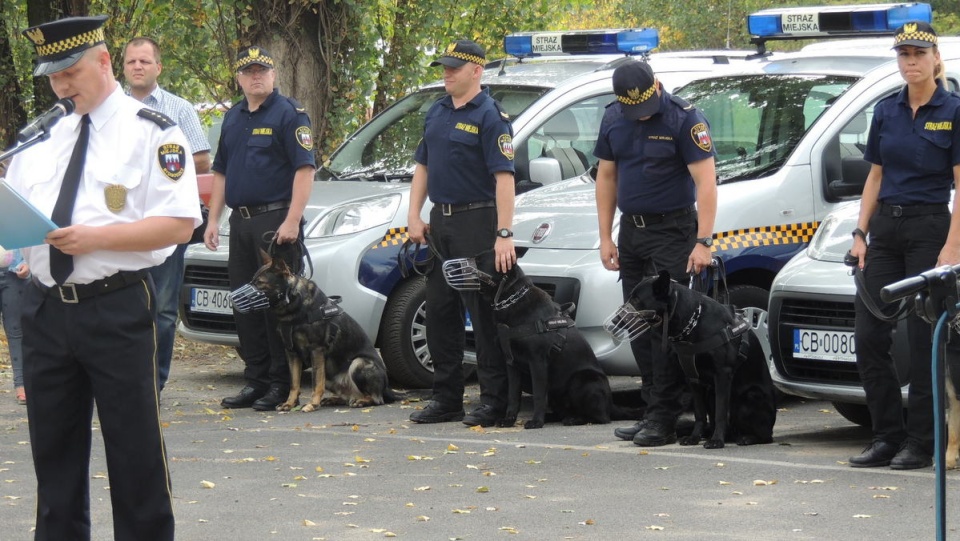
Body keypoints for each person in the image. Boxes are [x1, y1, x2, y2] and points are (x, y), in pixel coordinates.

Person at [7, 15, 201, 540]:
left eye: (71, 72)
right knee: (54, 454)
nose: (63, 86)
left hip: (115, 306)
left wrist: (96, 239)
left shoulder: (153, 132)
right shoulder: (41, 139)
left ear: (103, 61)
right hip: (45, 307)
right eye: (53, 77)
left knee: (135, 451)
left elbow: (180, 223)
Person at [847, 21, 960, 471]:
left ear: (935, 58)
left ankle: (922, 442)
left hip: (931, 228)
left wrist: (953, 246)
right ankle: (885, 437)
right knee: (869, 335)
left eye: (918, 54)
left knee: (922, 340)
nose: (910, 62)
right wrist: (860, 232)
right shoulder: (886, 110)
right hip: (886, 230)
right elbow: (874, 174)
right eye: (903, 55)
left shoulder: (953, 109)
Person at [595, 60, 717, 447]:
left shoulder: (685, 119)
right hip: (632, 230)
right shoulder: (614, 116)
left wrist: (704, 241)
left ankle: (665, 417)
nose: (640, 114)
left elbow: (706, 181)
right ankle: (652, 409)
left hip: (674, 230)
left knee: (665, 328)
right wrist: (605, 236)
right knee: (637, 322)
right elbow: (607, 177)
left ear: (658, 87)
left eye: (645, 105)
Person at [406, 40, 516, 428]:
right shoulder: (436, 112)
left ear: (476, 71)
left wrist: (504, 233)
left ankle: (493, 401)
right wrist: (413, 215)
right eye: (444, 67)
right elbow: (423, 167)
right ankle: (447, 397)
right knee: (440, 312)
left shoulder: (491, 116)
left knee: (482, 314)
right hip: (441, 224)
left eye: (454, 67)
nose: (446, 73)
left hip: (478, 222)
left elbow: (504, 178)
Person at [204, 46, 316, 411]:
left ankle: (282, 384)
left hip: (275, 222)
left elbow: (304, 170)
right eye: (249, 71)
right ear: (239, 78)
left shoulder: (290, 115)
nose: (256, 76)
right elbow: (220, 171)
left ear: (274, 75)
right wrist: (213, 220)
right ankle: (256, 380)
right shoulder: (234, 118)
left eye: (262, 70)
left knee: (276, 308)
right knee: (244, 302)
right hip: (241, 222)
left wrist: (293, 219)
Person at [124, 36, 212, 391]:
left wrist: (154, 173)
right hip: (123, 222)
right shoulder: (112, 109)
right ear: (124, 68)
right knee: (124, 310)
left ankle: (153, 387)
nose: (138, 67)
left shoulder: (179, 108)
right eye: (131, 62)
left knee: (161, 310)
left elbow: (202, 158)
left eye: (145, 61)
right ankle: (124, 384)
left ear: (158, 67)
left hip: (165, 220)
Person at [0, 248, 29, 405]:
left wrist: (28, 263)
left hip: (14, 273)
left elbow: (32, 238)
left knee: (16, 331)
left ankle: (22, 384)